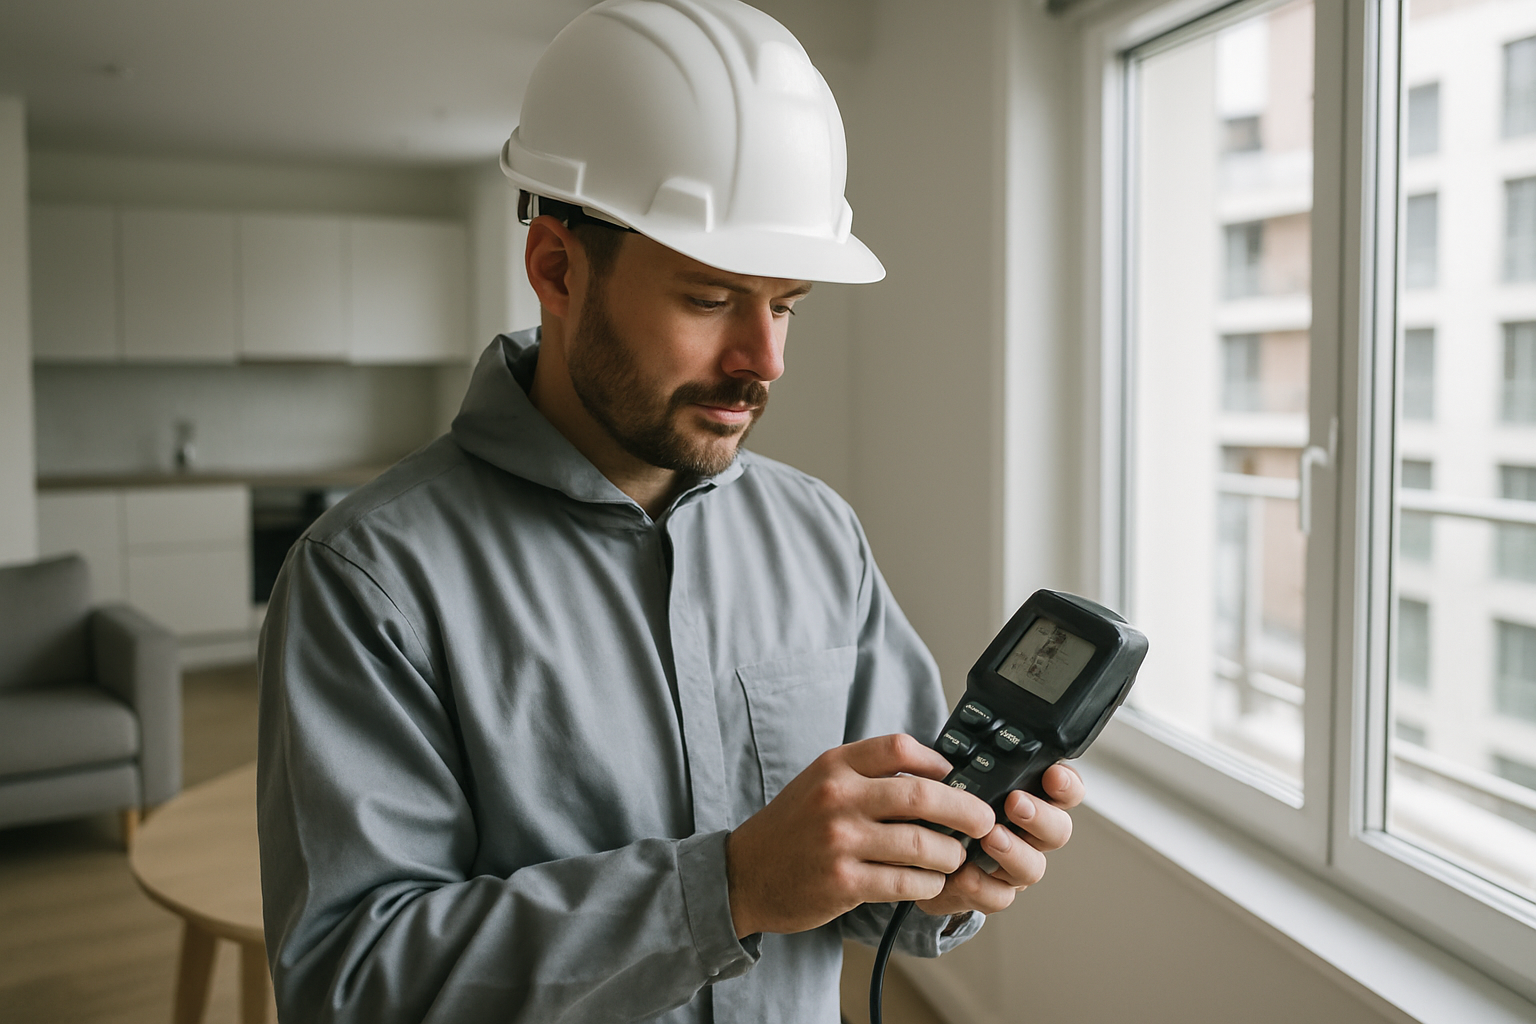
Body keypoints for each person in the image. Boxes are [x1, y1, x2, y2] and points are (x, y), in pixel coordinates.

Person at [255, 0, 1084, 1021]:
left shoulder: (819, 537)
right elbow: (350, 989)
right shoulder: (370, 581)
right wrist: (727, 886)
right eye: (709, 297)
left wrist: (941, 880)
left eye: (783, 305)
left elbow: (863, 884)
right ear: (557, 268)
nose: (763, 361)